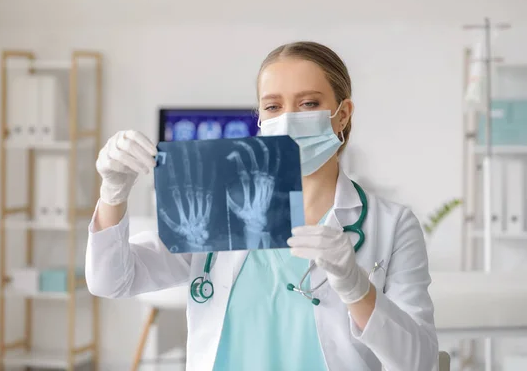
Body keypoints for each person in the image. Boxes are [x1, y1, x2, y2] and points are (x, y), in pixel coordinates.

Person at [85, 41, 439, 371]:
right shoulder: (216, 207)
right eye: (273, 106)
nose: (287, 118)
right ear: (260, 118)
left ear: (343, 114)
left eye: (309, 103)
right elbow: (111, 280)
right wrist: (113, 192)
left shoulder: (392, 225)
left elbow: (420, 362)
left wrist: (357, 289)